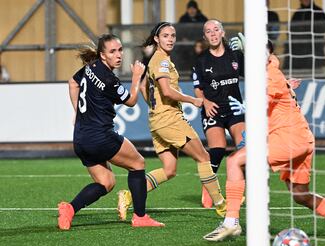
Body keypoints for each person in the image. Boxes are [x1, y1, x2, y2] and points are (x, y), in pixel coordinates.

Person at [203, 40, 325, 241]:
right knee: (300, 195)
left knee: (235, 161)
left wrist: (246, 107)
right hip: (303, 139)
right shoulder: (271, 70)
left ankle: (231, 222)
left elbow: (262, 101)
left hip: (289, 139)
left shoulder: (270, 76)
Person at [116, 22, 227, 221]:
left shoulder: (158, 59)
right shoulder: (162, 61)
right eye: (166, 36)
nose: (170, 39)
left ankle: (128, 196)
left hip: (157, 121)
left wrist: (154, 108)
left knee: (169, 170)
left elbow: (143, 88)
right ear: (157, 39)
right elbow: (167, 91)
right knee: (203, 158)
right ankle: (221, 204)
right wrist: (193, 100)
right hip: (169, 119)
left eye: (173, 35)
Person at [57, 34, 164, 230]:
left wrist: (77, 112)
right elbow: (131, 101)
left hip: (80, 139)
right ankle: (140, 217)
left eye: (120, 49)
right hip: (100, 137)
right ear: (103, 55)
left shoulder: (91, 68)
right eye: (113, 51)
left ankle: (69, 209)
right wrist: (136, 78)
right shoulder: (108, 79)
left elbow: (72, 82)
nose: (119, 54)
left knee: (106, 182)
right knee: (138, 163)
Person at [192, 20, 245, 208]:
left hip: (234, 109)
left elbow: (258, 72)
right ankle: (209, 189)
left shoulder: (236, 55)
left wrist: (249, 53)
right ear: (205, 37)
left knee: (245, 147)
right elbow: (197, 88)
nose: (213, 34)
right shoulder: (201, 60)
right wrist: (205, 102)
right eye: (208, 31)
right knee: (218, 149)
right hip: (212, 109)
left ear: (222, 33)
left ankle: (242, 188)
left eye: (216, 30)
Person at [283, 0, 325, 70]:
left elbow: (321, 30)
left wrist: (305, 33)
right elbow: (290, 30)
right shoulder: (297, 13)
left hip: (313, 49)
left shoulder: (319, 12)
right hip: (297, 51)